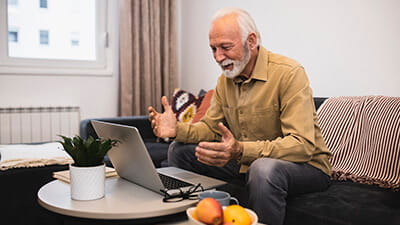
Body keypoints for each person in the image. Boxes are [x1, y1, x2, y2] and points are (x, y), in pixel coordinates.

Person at [148, 7, 332, 225]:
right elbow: (210, 128)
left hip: (306, 167)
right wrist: (176, 130)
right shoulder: (224, 82)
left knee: (263, 168)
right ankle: (196, 219)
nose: (218, 57)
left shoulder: (289, 73)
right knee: (179, 151)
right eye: (213, 49)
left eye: (225, 47)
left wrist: (241, 150)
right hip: (249, 161)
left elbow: (302, 145)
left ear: (251, 41)